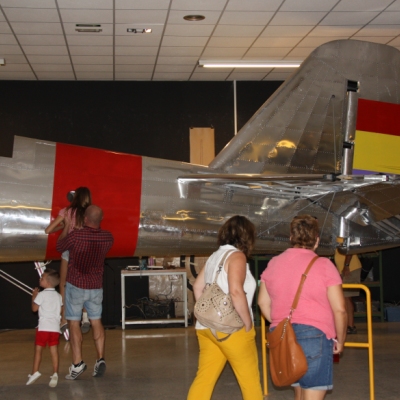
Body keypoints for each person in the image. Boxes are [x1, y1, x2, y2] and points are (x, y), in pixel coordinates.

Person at [258, 215, 347, 400]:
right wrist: (341, 339)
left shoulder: (273, 263)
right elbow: (340, 310)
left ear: (291, 238)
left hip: (284, 339)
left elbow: (262, 303)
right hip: (315, 337)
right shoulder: (324, 265)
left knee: (298, 393)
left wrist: (282, 323)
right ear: (316, 240)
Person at [187, 215, 263, 400]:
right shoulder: (237, 256)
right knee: (250, 382)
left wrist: (207, 315)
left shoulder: (215, 256)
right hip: (231, 329)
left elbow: (197, 287)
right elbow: (236, 292)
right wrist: (248, 324)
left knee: (204, 379)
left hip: (207, 329)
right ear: (247, 236)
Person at [56, 205, 113, 380]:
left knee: (74, 323)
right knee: (96, 321)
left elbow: (60, 246)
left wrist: (66, 225)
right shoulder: (108, 238)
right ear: (100, 219)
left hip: (76, 285)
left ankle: (77, 363)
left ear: (85, 219)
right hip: (96, 286)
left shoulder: (76, 236)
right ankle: (100, 358)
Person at [45, 187, 92, 333]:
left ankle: (64, 318)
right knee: (84, 285)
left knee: (64, 284)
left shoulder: (66, 211)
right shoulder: (89, 212)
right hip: (85, 251)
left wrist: (64, 224)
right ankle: (85, 317)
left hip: (69, 250)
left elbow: (48, 230)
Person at [27, 269, 62, 388]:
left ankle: (35, 372)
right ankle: (55, 373)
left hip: (43, 328)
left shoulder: (41, 295)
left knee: (38, 351)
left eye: (41, 278)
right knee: (54, 351)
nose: (39, 279)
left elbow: (34, 309)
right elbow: (60, 310)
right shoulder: (58, 296)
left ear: (47, 282)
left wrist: (34, 296)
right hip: (55, 328)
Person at [334, 248, 362, 334]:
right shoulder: (337, 237)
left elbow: (350, 249)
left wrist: (346, 265)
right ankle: (348, 325)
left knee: (347, 297)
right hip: (344, 268)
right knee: (345, 297)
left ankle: (351, 326)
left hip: (350, 268)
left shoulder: (344, 235)